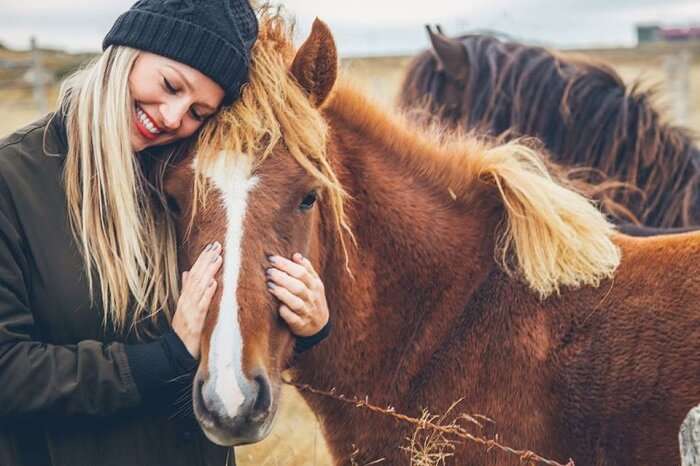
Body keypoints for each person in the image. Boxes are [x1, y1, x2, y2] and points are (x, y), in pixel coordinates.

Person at [0, 1, 331, 465]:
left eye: (199, 111)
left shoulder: (181, 175)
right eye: (171, 85)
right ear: (127, 51)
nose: (174, 117)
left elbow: (227, 321)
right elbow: (7, 372)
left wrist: (308, 327)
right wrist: (162, 359)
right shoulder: (12, 181)